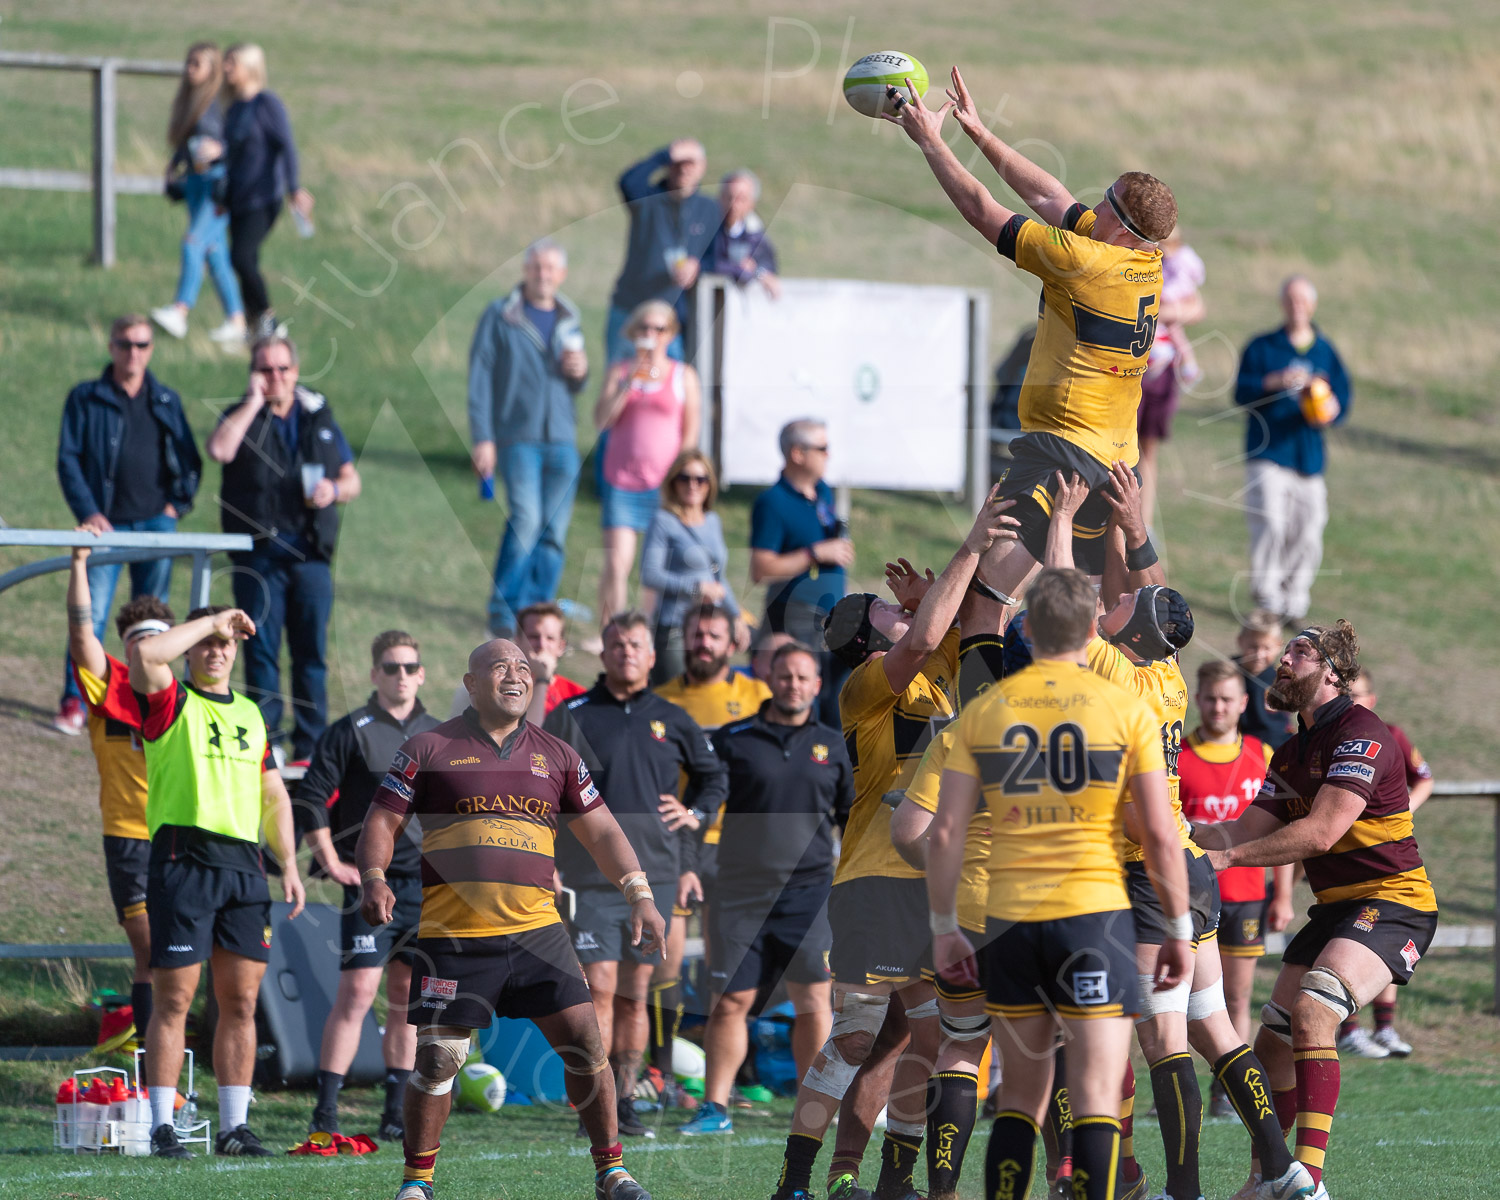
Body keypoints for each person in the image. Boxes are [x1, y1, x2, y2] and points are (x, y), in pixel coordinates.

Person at [769, 490, 1018, 1200]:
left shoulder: (932, 659)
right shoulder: (863, 688)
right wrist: (967, 544)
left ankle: (883, 1181)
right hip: (877, 877)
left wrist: (939, 585)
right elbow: (920, 636)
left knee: (923, 1041)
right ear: (866, 639)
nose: (900, 608)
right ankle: (794, 1180)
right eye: (885, 609)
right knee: (857, 1032)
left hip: (937, 882)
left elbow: (978, 608)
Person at [357, 637, 662, 1200]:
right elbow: (381, 820)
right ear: (471, 684)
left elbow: (602, 831)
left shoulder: (558, 754)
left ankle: (611, 1171)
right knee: (438, 1059)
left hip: (539, 934)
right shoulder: (427, 747)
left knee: (587, 1047)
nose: (515, 675)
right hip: (455, 938)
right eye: (500, 667)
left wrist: (639, 892)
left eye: (523, 667)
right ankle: (417, 1182)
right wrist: (374, 877)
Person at [923, 566, 1192, 1200]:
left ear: (1030, 626)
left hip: (1009, 920)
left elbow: (942, 834)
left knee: (1020, 1095)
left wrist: (942, 931)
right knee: (1096, 1093)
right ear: (1091, 627)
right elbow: (1159, 835)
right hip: (1093, 915)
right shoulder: (1126, 708)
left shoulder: (985, 711)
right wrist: (1180, 928)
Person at [880, 66, 1176, 602]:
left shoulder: (1086, 262)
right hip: (1115, 461)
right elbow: (1051, 199)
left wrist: (931, 143)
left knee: (983, 600)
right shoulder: (1143, 261)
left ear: (1126, 231)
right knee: (1084, 611)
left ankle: (967, 675)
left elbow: (982, 210)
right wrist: (979, 132)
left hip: (1062, 451)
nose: (1096, 205)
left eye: (1107, 202)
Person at [1199, 621, 1438, 1196]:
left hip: (1394, 901)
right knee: (1271, 1046)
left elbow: (1321, 833)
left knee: (1312, 1014)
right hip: (1336, 910)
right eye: (1285, 652)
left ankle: (1309, 1182)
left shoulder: (1362, 734)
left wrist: (1226, 860)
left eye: (1299, 653)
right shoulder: (1292, 749)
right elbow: (1237, 828)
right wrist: (1165, 834)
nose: (1283, 660)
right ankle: (1265, 1179)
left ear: (1333, 672)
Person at [106, 605, 306, 1158]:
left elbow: (273, 795)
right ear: (190, 648)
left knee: (240, 1002)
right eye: (208, 642)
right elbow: (146, 654)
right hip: (182, 861)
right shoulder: (171, 701)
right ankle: (162, 1126)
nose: (218, 650)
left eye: (226, 643)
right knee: (175, 999)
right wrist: (215, 618)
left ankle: (233, 1129)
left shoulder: (250, 713)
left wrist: (288, 862)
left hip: (244, 869)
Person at [544, 612, 728, 1137]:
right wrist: (548, 858)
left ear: (651, 656)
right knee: (597, 989)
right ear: (603, 654)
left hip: (657, 875)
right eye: (617, 644)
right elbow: (546, 792)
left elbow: (715, 778)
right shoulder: (572, 714)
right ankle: (594, 1105)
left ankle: (624, 1102)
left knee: (635, 991)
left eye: (636, 644)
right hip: (587, 874)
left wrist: (694, 813)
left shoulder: (672, 716)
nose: (626, 651)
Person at [679, 641, 852, 1137]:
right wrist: (690, 867)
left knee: (813, 1002)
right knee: (730, 1003)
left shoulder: (834, 746)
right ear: (769, 680)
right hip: (738, 894)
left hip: (810, 895)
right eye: (785, 676)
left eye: (803, 677)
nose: (793, 685)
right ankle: (715, 1107)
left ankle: (813, 1106)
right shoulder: (734, 739)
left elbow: (849, 822)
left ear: (817, 686)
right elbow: (701, 808)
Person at [295, 631, 443, 1139]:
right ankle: (327, 1111)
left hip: (425, 887)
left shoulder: (440, 734)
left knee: (407, 996)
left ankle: (395, 1112)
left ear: (421, 674)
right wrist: (331, 860)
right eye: (391, 666)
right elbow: (311, 795)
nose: (401, 674)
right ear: (374, 673)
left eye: (409, 666)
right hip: (371, 882)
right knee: (358, 992)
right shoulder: (349, 730)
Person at [207, 335, 361, 759]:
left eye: (281, 368)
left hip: (311, 555)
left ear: (295, 371)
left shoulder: (318, 418)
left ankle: (310, 746)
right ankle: (266, 740)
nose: (274, 376)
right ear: (253, 373)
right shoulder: (243, 414)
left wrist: (335, 489)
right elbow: (219, 449)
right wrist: (254, 402)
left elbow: (353, 479)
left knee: (311, 653)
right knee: (261, 650)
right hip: (259, 556)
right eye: (264, 369)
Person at [55, 314, 201, 735]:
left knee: (151, 622)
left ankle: (148, 702)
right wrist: (88, 512)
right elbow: (67, 460)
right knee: (90, 616)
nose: (132, 353)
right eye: (124, 344)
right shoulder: (86, 398)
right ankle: (76, 700)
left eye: (141, 345)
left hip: (157, 523)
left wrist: (177, 506)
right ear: (110, 347)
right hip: (105, 527)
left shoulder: (167, 400)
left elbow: (190, 460)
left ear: (151, 349)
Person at [653, 603, 772, 1095]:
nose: (703, 642)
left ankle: (735, 1078)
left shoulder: (757, 694)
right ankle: (658, 1072)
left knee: (735, 969)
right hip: (678, 845)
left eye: (713, 635)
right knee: (666, 958)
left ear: (732, 642)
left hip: (740, 847)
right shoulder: (660, 700)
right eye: (696, 634)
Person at [64, 541, 176, 1052]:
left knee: (184, 954)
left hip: (181, 836)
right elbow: (80, 630)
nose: (147, 651)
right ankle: (152, 1061)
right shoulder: (108, 685)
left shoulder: (186, 694)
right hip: (129, 836)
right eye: (138, 643)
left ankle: (173, 1052)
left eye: (157, 640)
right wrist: (80, 562)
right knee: (151, 951)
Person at [1179, 660, 1295, 1116]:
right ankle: (1180, 1083)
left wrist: (1282, 894)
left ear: (1244, 703)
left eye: (1227, 699)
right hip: (1192, 893)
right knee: (1183, 998)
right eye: (1210, 698)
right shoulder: (1179, 756)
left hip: (1247, 891)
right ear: (1197, 699)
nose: (1218, 707)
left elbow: (1280, 829)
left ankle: (1228, 1092)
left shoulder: (1261, 755)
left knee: (1236, 996)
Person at [468, 238, 590, 638]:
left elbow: (577, 384)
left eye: (551, 268)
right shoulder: (502, 316)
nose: (544, 275)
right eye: (537, 267)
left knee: (555, 529)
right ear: (526, 271)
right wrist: (483, 437)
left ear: (562, 275)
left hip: (562, 438)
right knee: (526, 520)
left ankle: (537, 610)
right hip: (516, 437)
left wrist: (580, 372)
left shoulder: (570, 318)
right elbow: (480, 378)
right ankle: (503, 610)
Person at [1234, 276, 1352, 623]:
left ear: (1312, 305)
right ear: (1282, 304)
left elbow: (1342, 401)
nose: (1297, 306)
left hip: (1308, 456)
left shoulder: (1324, 351)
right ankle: (1268, 597)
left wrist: (1328, 409)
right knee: (1270, 521)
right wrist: (1275, 381)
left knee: (1310, 528)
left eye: (1302, 300)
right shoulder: (1263, 347)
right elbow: (1240, 392)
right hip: (1268, 450)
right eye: (1291, 300)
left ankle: (1294, 599)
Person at [1336, 667, 1434, 1061]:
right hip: (1343, 861)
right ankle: (1350, 1028)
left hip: (1387, 860)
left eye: (1358, 696)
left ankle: (1386, 1027)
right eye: (1346, 696)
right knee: (1347, 938)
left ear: (1372, 700)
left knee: (1385, 938)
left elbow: (1423, 778)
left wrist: (1402, 810)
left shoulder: (1391, 735)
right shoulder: (1327, 741)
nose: (1352, 703)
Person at [594, 301, 701, 626]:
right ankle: (610, 631)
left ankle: (648, 631)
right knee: (617, 564)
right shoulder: (620, 370)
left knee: (655, 567)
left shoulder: (684, 376)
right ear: (634, 332)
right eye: (644, 328)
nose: (650, 335)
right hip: (621, 480)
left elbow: (690, 433)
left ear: (670, 335)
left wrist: (681, 480)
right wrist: (629, 383)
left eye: (659, 329)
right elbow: (601, 421)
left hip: (663, 485)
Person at [749, 419, 854, 722]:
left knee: (836, 706)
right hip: (796, 617)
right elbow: (761, 569)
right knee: (807, 708)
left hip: (833, 617)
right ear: (797, 453)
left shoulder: (823, 492)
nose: (828, 455)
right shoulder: (773, 502)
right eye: (822, 448)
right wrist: (814, 554)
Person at [150, 43, 245, 344]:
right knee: (215, 254)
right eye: (188, 63)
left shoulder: (223, 102)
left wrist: (222, 150)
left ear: (212, 69)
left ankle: (180, 311)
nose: (189, 69)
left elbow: (242, 141)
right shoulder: (190, 101)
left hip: (217, 185)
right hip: (194, 182)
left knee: (193, 243)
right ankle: (237, 322)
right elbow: (185, 143)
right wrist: (174, 167)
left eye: (196, 64)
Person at [221, 42, 314, 338]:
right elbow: (230, 156)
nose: (225, 69)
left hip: (264, 197)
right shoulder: (234, 109)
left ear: (249, 67)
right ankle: (254, 327)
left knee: (241, 257)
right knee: (242, 261)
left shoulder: (267, 104)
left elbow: (286, 145)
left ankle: (268, 319)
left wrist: (294, 187)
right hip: (237, 198)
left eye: (231, 63)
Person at [607, 139, 719, 361]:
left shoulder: (710, 209)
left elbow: (714, 257)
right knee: (621, 380)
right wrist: (664, 154)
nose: (684, 169)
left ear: (702, 167)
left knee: (669, 386)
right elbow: (627, 182)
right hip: (631, 307)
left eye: (691, 163)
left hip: (672, 316)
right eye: (678, 162)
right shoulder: (648, 198)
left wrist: (697, 266)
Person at [641, 450, 740, 683]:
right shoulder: (663, 521)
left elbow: (719, 578)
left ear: (710, 484)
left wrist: (735, 616)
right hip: (676, 627)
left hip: (710, 629)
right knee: (674, 701)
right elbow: (650, 574)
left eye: (700, 479)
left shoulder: (713, 521)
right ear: (673, 483)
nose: (692, 485)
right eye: (684, 478)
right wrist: (696, 588)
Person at [1136, 229, 1206, 530]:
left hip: (1160, 369)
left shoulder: (1176, 272)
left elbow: (1197, 308)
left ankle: (1144, 523)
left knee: (1148, 449)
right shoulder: (1137, 264)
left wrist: (1168, 311)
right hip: (1133, 367)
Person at [703, 170, 781, 298]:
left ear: (752, 203)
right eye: (729, 197)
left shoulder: (755, 234)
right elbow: (704, 263)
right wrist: (738, 268)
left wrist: (758, 272)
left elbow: (768, 265)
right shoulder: (704, 229)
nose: (733, 205)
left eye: (741, 199)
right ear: (719, 198)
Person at [1235, 609, 1296, 750]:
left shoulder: (1282, 677)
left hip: (1278, 749)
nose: (1259, 654)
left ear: (1279, 646)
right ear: (1240, 641)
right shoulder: (1229, 674)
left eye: (1266, 648)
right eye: (1253, 647)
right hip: (1240, 749)